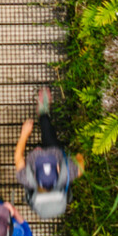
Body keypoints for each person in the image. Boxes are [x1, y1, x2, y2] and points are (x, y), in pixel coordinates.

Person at [14, 87, 83, 219]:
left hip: (42, 157)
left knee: (45, 142)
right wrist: (75, 157)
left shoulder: (26, 178)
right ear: (58, 168)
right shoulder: (69, 172)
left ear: (34, 173)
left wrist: (24, 135)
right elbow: (81, 163)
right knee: (48, 132)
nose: (42, 153)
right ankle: (43, 114)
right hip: (54, 151)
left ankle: (44, 116)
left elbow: (18, 157)